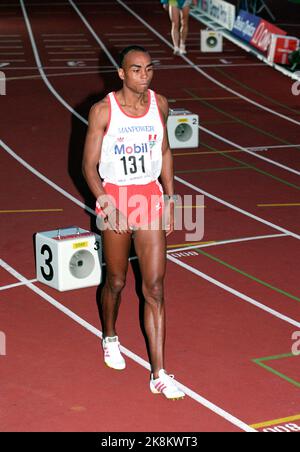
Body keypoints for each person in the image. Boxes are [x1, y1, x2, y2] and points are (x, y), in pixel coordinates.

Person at [82, 45, 185, 400]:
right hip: (117, 199)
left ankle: (159, 373)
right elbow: (88, 167)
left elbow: (166, 152)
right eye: (137, 69)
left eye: (149, 69)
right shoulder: (103, 111)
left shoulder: (160, 105)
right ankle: (110, 336)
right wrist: (108, 206)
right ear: (122, 73)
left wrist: (170, 199)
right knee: (116, 280)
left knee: (154, 288)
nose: (145, 75)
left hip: (150, 199)